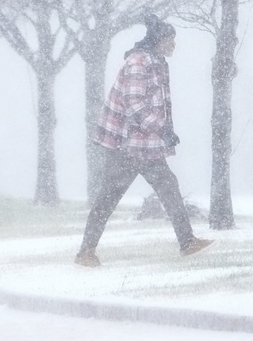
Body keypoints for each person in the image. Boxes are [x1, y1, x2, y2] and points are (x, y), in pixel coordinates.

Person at [75, 15, 213, 267]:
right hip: (125, 146)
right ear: (159, 40)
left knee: (169, 187)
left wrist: (162, 131)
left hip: (145, 145)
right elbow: (134, 105)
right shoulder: (139, 62)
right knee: (108, 197)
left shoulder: (157, 62)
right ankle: (85, 252)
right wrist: (163, 129)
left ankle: (187, 242)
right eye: (171, 39)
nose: (174, 44)